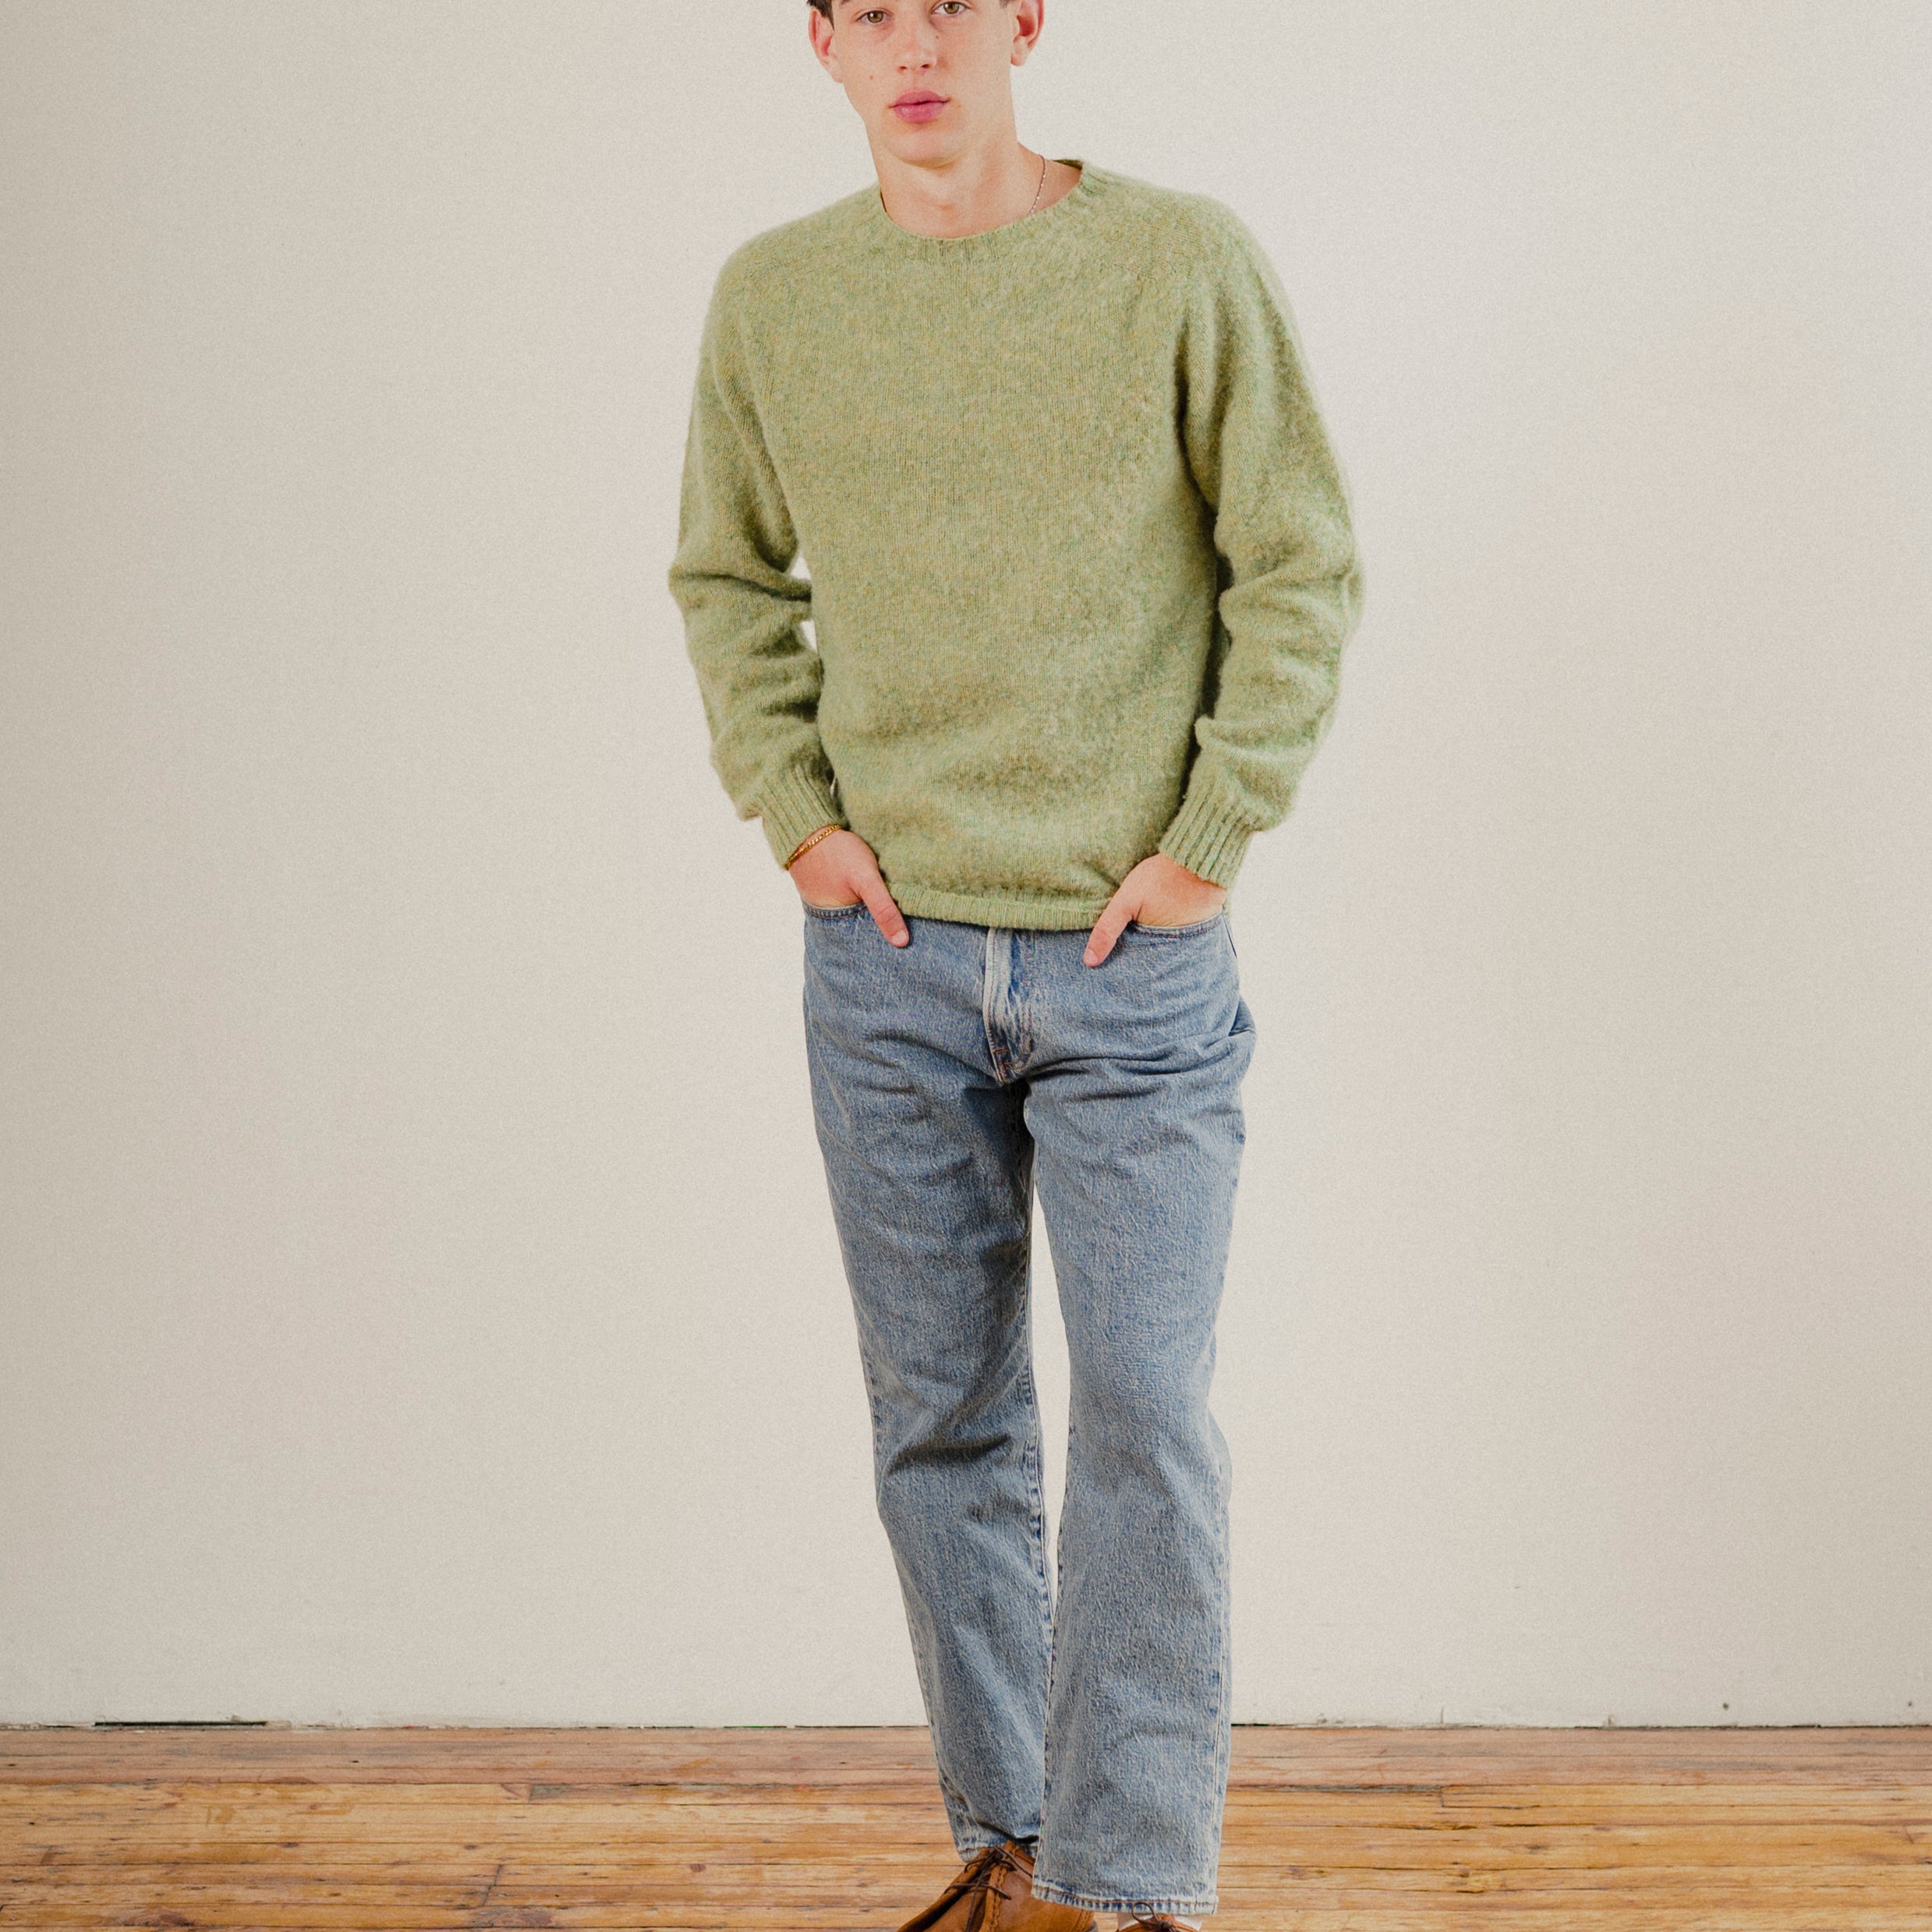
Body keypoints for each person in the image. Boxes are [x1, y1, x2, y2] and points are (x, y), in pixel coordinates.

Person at [667, 2, 1364, 1925]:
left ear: (1026, 20)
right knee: (945, 1426)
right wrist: (798, 817)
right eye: (871, 10)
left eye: (951, 2)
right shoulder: (776, 298)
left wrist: (1210, 842)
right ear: (819, 41)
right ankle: (1021, 1858)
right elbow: (728, 579)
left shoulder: (1175, 261)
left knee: (1142, 1415)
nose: (917, 44)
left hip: (1131, 966)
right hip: (887, 970)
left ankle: (1129, 1896)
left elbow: (1297, 561)